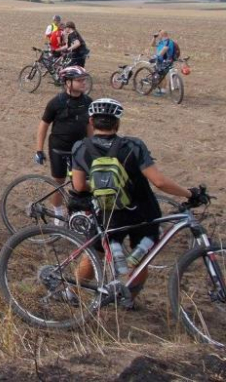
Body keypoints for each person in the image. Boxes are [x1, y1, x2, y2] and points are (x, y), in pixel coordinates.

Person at [68, 98, 207, 303]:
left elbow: (78, 186)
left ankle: (72, 293)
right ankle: (128, 299)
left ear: (91, 121)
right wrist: (190, 193)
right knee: (141, 258)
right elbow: (159, 182)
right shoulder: (133, 146)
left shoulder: (81, 147)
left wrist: (103, 186)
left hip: (108, 212)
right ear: (117, 123)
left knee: (93, 253)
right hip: (142, 211)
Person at [34, 66, 93, 224]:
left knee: (80, 183)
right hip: (58, 148)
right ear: (68, 82)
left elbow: (90, 126)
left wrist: (92, 145)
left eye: (84, 80)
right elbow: (44, 125)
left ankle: (80, 212)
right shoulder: (56, 102)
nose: (83, 83)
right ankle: (58, 212)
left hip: (80, 150)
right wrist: (39, 149)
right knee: (59, 182)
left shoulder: (88, 102)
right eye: (79, 80)